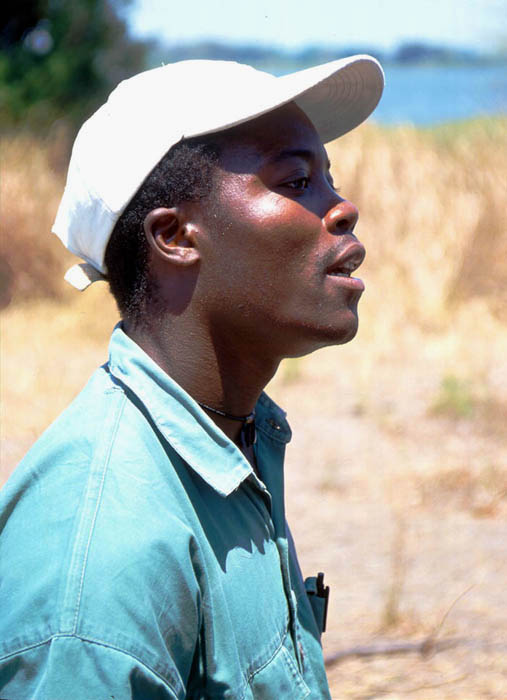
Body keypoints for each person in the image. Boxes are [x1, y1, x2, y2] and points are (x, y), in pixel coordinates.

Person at [0, 56, 383, 698]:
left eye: (330, 178)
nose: (343, 209)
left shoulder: (235, 435)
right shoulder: (102, 555)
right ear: (176, 236)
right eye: (296, 181)